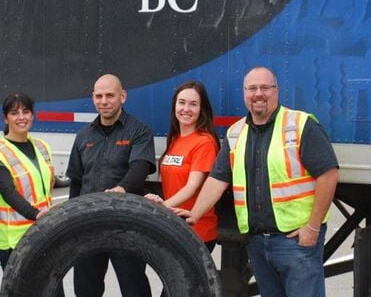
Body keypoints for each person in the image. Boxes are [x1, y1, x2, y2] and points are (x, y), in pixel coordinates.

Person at [182, 67, 339, 297]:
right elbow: (217, 179)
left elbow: (329, 174)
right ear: (244, 93)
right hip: (257, 243)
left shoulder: (300, 124)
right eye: (252, 88)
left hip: (296, 242)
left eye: (265, 87)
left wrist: (312, 227)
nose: (258, 93)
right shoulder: (236, 133)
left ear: (276, 91)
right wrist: (194, 215)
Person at [65, 74, 157, 297]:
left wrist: (122, 189)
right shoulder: (83, 136)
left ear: (122, 96)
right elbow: (76, 182)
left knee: (134, 289)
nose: (103, 101)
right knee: (86, 290)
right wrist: (71, 222)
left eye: (109, 95)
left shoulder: (140, 131)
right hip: (89, 226)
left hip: (126, 225)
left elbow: (141, 166)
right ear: (93, 97)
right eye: (99, 96)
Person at [0, 92, 63, 295]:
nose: (21, 117)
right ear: (5, 118)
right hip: (15, 242)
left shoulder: (42, 147)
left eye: (26, 111)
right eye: (14, 112)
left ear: (32, 115)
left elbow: (49, 183)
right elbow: (8, 193)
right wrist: (36, 214)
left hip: (45, 234)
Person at [145, 81, 220, 252]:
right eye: (182, 102)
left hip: (197, 231)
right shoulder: (175, 139)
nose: (186, 109)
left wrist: (162, 207)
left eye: (193, 104)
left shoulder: (204, 142)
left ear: (202, 109)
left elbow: (192, 187)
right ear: (174, 106)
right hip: (176, 228)